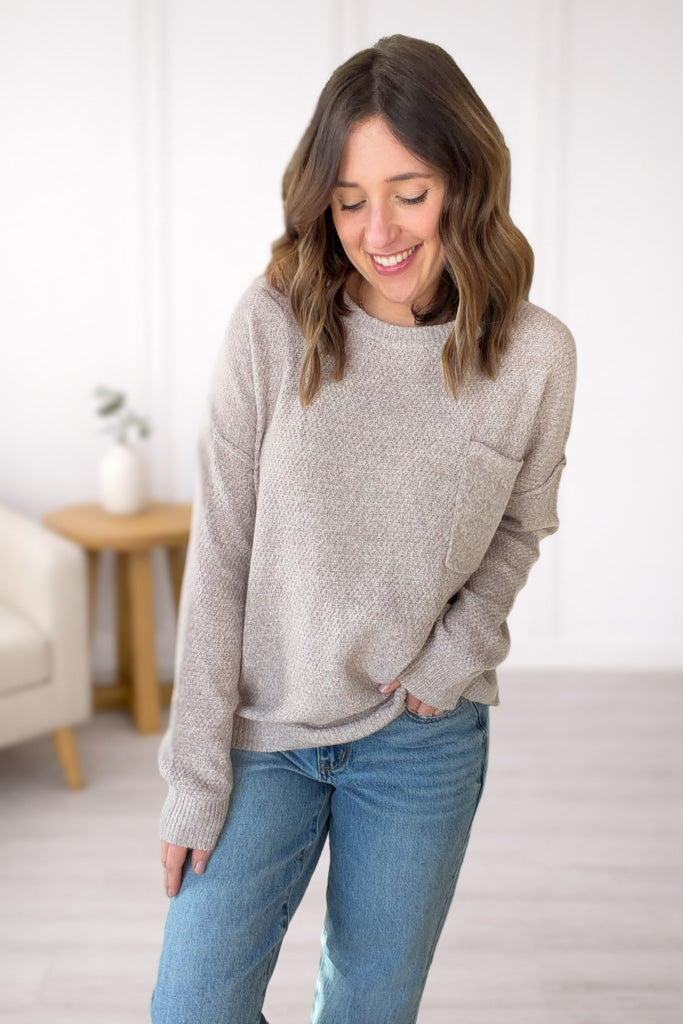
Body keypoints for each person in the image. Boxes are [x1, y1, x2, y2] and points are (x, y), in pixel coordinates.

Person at [150, 33, 577, 1024]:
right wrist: (191, 777)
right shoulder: (272, 324)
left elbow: (523, 522)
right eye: (348, 199)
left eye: (408, 191)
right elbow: (216, 555)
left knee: (366, 1012)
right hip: (262, 732)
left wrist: (455, 651)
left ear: (464, 183)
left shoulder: (535, 357)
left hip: (417, 743)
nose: (376, 229)